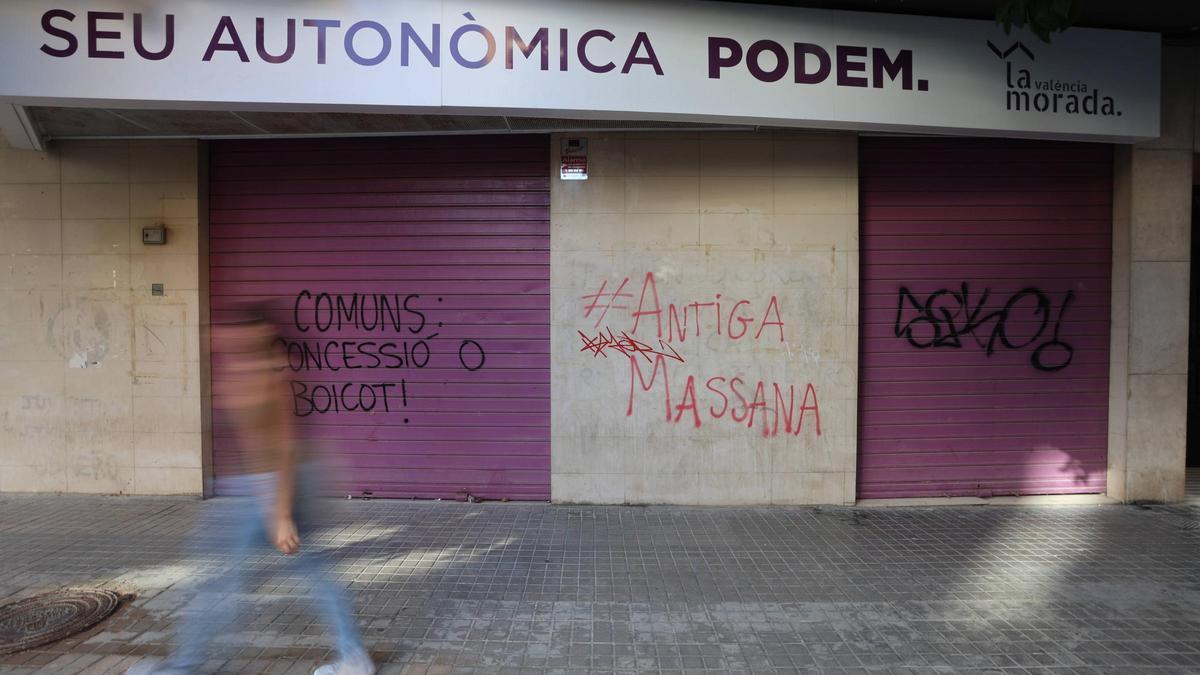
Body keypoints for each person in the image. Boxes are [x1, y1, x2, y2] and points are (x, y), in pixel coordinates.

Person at [131, 304, 373, 675]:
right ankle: (354, 656)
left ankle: (184, 666)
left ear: (258, 332)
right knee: (303, 571)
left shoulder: (270, 375)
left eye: (230, 329)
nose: (218, 336)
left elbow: (285, 445)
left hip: (277, 486)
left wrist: (280, 513)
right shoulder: (240, 372)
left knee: (222, 578)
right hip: (256, 488)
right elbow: (251, 442)